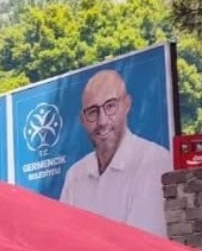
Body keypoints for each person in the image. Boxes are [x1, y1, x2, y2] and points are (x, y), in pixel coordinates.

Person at [59, 69, 171, 236]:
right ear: (82, 120)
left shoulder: (154, 160)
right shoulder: (75, 175)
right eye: (92, 112)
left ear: (127, 104)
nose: (102, 121)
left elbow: (142, 245)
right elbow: (63, 241)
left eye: (110, 106)